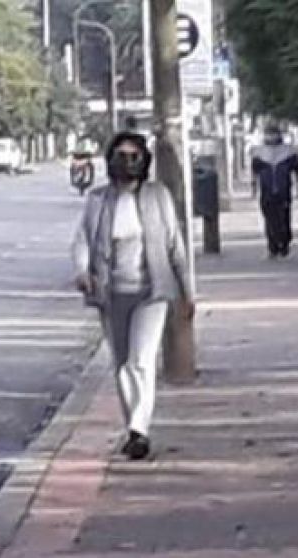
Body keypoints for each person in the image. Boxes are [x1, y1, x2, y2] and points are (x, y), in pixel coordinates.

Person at [71, 132, 195, 460]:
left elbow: (175, 247)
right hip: (110, 293)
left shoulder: (158, 196)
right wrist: (83, 271)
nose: (127, 163)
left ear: (144, 160)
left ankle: (140, 429)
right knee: (122, 363)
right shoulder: (98, 199)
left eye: (134, 156)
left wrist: (187, 292)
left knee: (141, 361)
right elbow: (83, 239)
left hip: (152, 291)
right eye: (121, 156)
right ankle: (132, 429)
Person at [252, 124, 298, 258]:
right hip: (266, 190)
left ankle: (284, 243)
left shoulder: (288, 152)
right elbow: (254, 172)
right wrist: (253, 188)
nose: (271, 137)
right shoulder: (259, 153)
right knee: (269, 218)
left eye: (274, 134)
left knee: (284, 217)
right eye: (268, 134)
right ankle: (272, 246)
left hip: (283, 189)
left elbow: (296, 169)